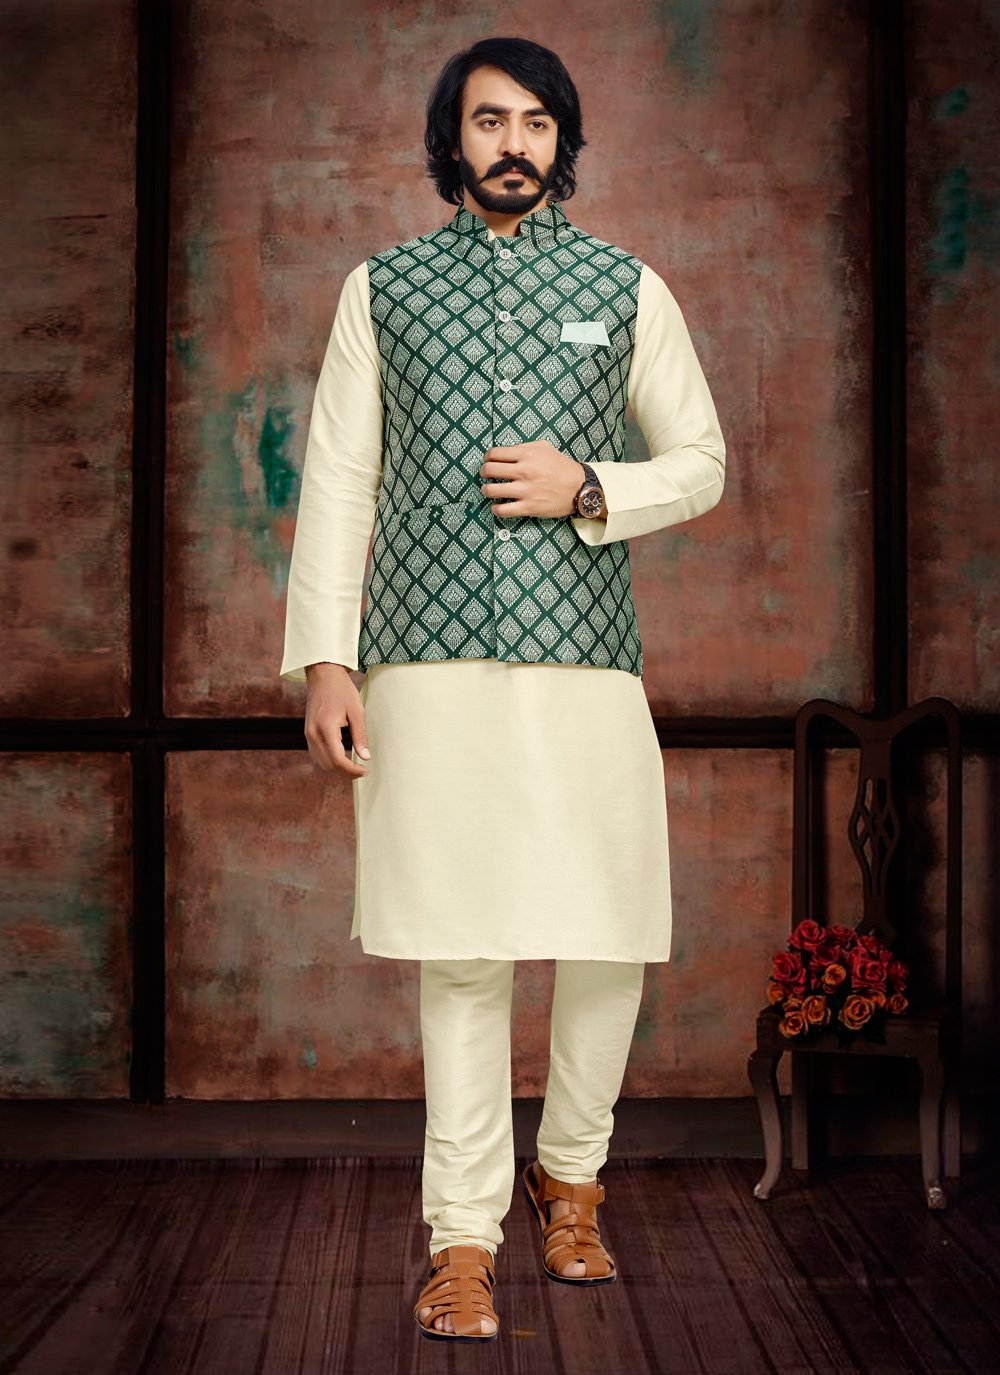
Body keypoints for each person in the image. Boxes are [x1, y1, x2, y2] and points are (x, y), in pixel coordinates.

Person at [279, 36, 726, 1345]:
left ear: (562, 140)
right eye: (489, 121)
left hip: (586, 658)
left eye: (535, 122)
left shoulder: (626, 287)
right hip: (426, 662)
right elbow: (339, 480)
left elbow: (699, 461)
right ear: (452, 140)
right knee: (463, 953)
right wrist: (327, 661)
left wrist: (591, 485)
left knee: (609, 933)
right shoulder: (384, 290)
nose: (513, 143)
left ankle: (571, 1182)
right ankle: (463, 1242)